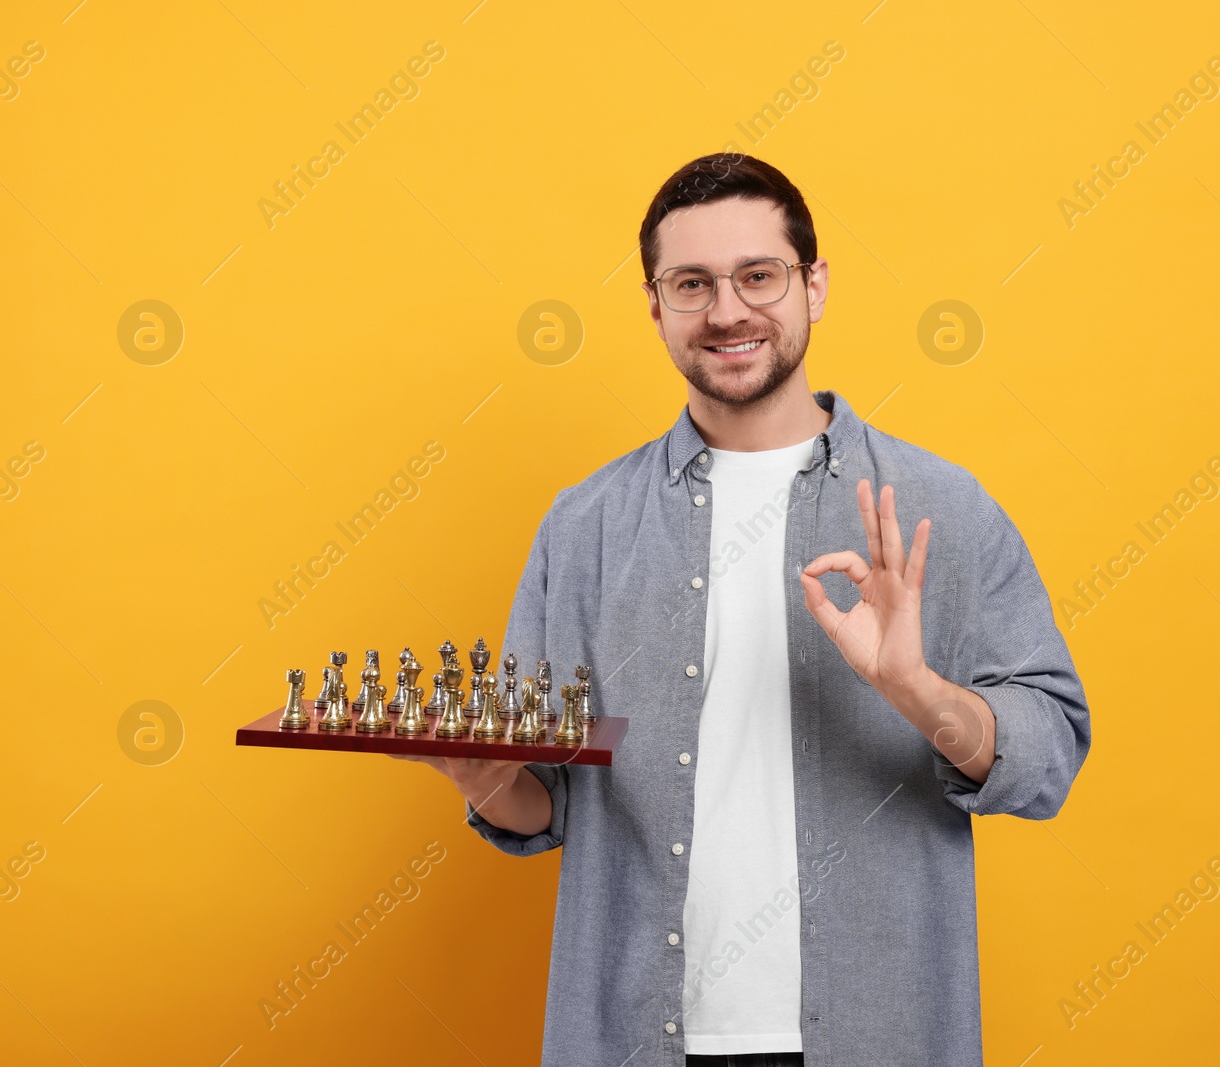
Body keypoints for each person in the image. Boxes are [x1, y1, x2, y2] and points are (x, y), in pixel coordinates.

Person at [395, 153, 1091, 1067]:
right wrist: (477, 777)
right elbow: (544, 806)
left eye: (758, 275)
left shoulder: (939, 507)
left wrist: (921, 692)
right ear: (656, 306)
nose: (727, 311)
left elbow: (1049, 758)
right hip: (635, 1034)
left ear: (815, 283)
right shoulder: (585, 527)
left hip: (883, 1031)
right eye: (692, 284)